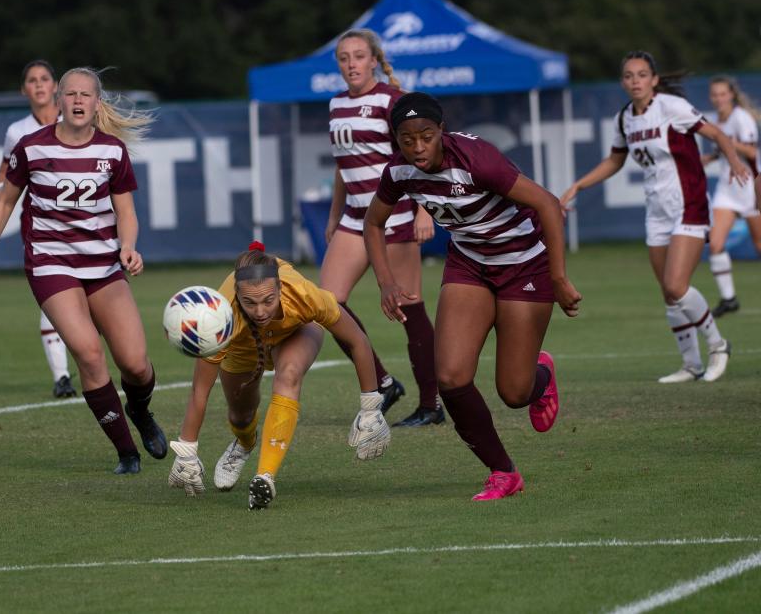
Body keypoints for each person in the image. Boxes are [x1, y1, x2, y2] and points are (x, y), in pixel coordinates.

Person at [364, 92, 582, 501]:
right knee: (451, 377)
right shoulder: (398, 173)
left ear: (441, 131)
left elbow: (549, 206)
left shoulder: (477, 159)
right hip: (469, 266)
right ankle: (503, 472)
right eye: (407, 139)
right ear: (396, 140)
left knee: (514, 393)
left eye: (425, 136)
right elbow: (373, 223)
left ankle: (542, 377)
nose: (417, 147)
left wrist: (559, 277)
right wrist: (385, 282)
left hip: (524, 265)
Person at [0, 66, 166, 475]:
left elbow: (126, 212)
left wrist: (129, 247)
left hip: (103, 264)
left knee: (135, 363)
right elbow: (5, 201)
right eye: (71, 94)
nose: (78, 101)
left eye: (86, 95)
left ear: (97, 103)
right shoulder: (31, 147)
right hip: (51, 264)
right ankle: (126, 452)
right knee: (89, 354)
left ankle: (140, 411)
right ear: (58, 101)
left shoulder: (113, 151)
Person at [561, 51, 750, 383]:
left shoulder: (671, 107)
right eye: (629, 75)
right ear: (623, 82)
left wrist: (734, 161)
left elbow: (717, 135)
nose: (635, 81)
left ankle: (718, 345)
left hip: (688, 203)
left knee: (677, 285)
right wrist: (579, 184)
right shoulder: (625, 118)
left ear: (654, 79)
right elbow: (615, 160)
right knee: (668, 292)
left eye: (642, 74)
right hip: (657, 210)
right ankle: (691, 364)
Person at [168, 242, 391, 510]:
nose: (260, 311)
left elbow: (358, 341)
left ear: (280, 290)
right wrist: (187, 450)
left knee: (289, 375)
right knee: (241, 416)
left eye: (268, 301)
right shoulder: (220, 320)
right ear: (237, 295)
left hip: (297, 332)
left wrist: (370, 407)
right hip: (242, 347)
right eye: (250, 302)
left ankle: (265, 476)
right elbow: (199, 391)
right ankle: (244, 443)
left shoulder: (304, 294)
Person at [322, 28, 443, 427]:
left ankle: (432, 404)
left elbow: (420, 156)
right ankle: (383, 383)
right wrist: (334, 214)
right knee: (325, 303)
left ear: (374, 60)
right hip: (355, 218)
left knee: (408, 308)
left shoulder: (391, 102)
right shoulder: (336, 104)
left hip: (396, 215)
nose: (352, 64)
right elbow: (344, 167)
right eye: (344, 58)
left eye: (359, 56)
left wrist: (425, 210)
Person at [0, 59, 76, 398]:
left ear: (55, 85)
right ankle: (62, 377)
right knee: (52, 297)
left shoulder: (75, 117)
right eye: (32, 80)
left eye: (45, 79)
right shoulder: (18, 131)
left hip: (85, 222)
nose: (40, 85)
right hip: (41, 224)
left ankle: (94, 365)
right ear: (23, 89)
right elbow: (4, 178)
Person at [700, 75, 760, 317]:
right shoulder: (719, 120)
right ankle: (729, 298)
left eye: (723, 94)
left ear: (732, 95)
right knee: (715, 243)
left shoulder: (740, 118)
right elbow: (724, 147)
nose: (718, 99)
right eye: (714, 94)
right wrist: (713, 157)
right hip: (728, 187)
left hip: (749, 184)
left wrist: (726, 142)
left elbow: (752, 151)